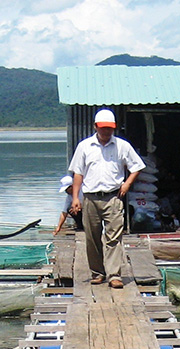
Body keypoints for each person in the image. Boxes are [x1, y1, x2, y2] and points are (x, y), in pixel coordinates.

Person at [68, 108, 145, 289]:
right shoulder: (85, 146)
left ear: (114, 128)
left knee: (114, 238)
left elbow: (137, 166)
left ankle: (114, 275)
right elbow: (78, 173)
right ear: (95, 127)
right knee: (92, 237)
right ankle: (97, 273)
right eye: (103, 128)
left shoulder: (122, 146)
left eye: (109, 128)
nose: (106, 131)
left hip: (113, 197)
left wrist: (127, 184)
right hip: (91, 197)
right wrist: (75, 198)